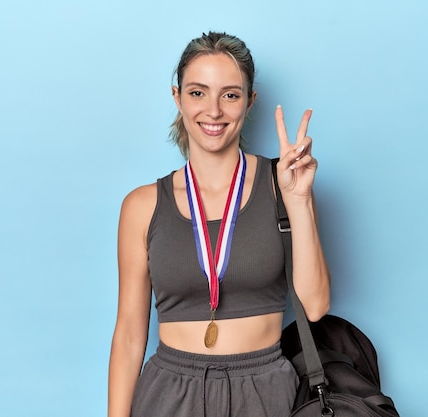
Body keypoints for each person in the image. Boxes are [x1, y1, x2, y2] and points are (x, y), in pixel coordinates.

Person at [108, 31, 330, 417]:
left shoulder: (285, 184)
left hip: (265, 391)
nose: (213, 110)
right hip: (169, 393)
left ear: (249, 102)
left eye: (230, 94)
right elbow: (129, 335)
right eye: (197, 93)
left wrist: (298, 200)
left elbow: (315, 306)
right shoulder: (141, 206)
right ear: (177, 98)